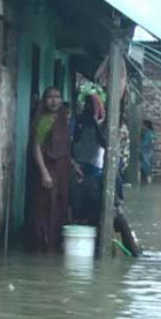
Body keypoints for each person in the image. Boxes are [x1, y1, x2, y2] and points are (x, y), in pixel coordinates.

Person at [29, 87, 82, 253]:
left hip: (63, 171)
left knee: (60, 207)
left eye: (57, 97)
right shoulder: (43, 121)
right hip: (49, 169)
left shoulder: (62, 120)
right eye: (50, 97)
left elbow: (65, 148)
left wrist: (74, 165)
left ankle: (54, 245)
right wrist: (44, 172)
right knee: (45, 209)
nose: (54, 100)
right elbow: (36, 147)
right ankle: (42, 246)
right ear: (45, 101)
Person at [71, 94, 107, 225]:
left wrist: (95, 125)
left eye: (90, 104)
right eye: (86, 104)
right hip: (78, 164)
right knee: (77, 196)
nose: (87, 107)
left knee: (93, 196)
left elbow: (104, 143)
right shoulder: (78, 121)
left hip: (94, 165)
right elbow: (73, 141)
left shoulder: (102, 124)